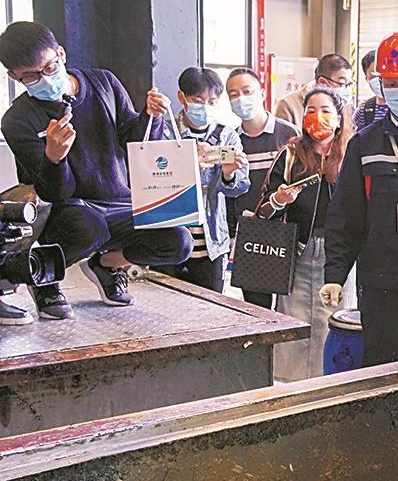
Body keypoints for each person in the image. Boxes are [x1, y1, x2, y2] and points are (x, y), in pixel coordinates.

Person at [0, 21, 191, 318]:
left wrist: (151, 117)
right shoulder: (17, 120)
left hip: (118, 201)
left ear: (61, 54)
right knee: (89, 226)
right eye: (31, 76)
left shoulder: (104, 83)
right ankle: (44, 277)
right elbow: (53, 192)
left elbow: (134, 144)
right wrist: (54, 158)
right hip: (68, 211)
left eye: (50, 68)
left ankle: (106, 265)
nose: (45, 79)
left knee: (178, 240)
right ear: (14, 76)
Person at [322, 32, 398, 366]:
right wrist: (335, 275)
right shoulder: (364, 145)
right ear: (381, 87)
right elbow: (345, 217)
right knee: (383, 371)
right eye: (393, 83)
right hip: (383, 285)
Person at [258, 87, 353, 381]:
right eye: (311, 110)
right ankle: (291, 386)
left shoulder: (352, 153)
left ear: (338, 118)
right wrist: (279, 199)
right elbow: (262, 209)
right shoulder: (290, 154)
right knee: (294, 320)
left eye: (325, 111)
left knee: (334, 320)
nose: (317, 117)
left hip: (341, 252)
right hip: (297, 249)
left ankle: (332, 382)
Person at [151, 67, 249, 292]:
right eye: (198, 100)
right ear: (181, 97)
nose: (205, 107)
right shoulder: (164, 132)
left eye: (212, 102)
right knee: (166, 304)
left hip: (212, 243)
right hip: (169, 238)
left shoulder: (227, 135)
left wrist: (229, 173)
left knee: (211, 306)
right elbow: (152, 183)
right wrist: (187, 166)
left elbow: (240, 187)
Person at [225, 66, 299, 308]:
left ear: (262, 92)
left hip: (286, 232)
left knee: (290, 306)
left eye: (247, 91)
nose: (241, 99)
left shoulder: (288, 134)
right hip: (250, 233)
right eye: (233, 94)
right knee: (257, 308)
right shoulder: (231, 140)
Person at [274, 53, 354, 128]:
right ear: (322, 82)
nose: (346, 90)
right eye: (342, 83)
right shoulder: (288, 105)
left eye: (349, 84)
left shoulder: (345, 106)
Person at [352, 48, 388, 131]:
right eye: (374, 76)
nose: (379, 80)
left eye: (382, 74)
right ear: (367, 79)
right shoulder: (363, 110)